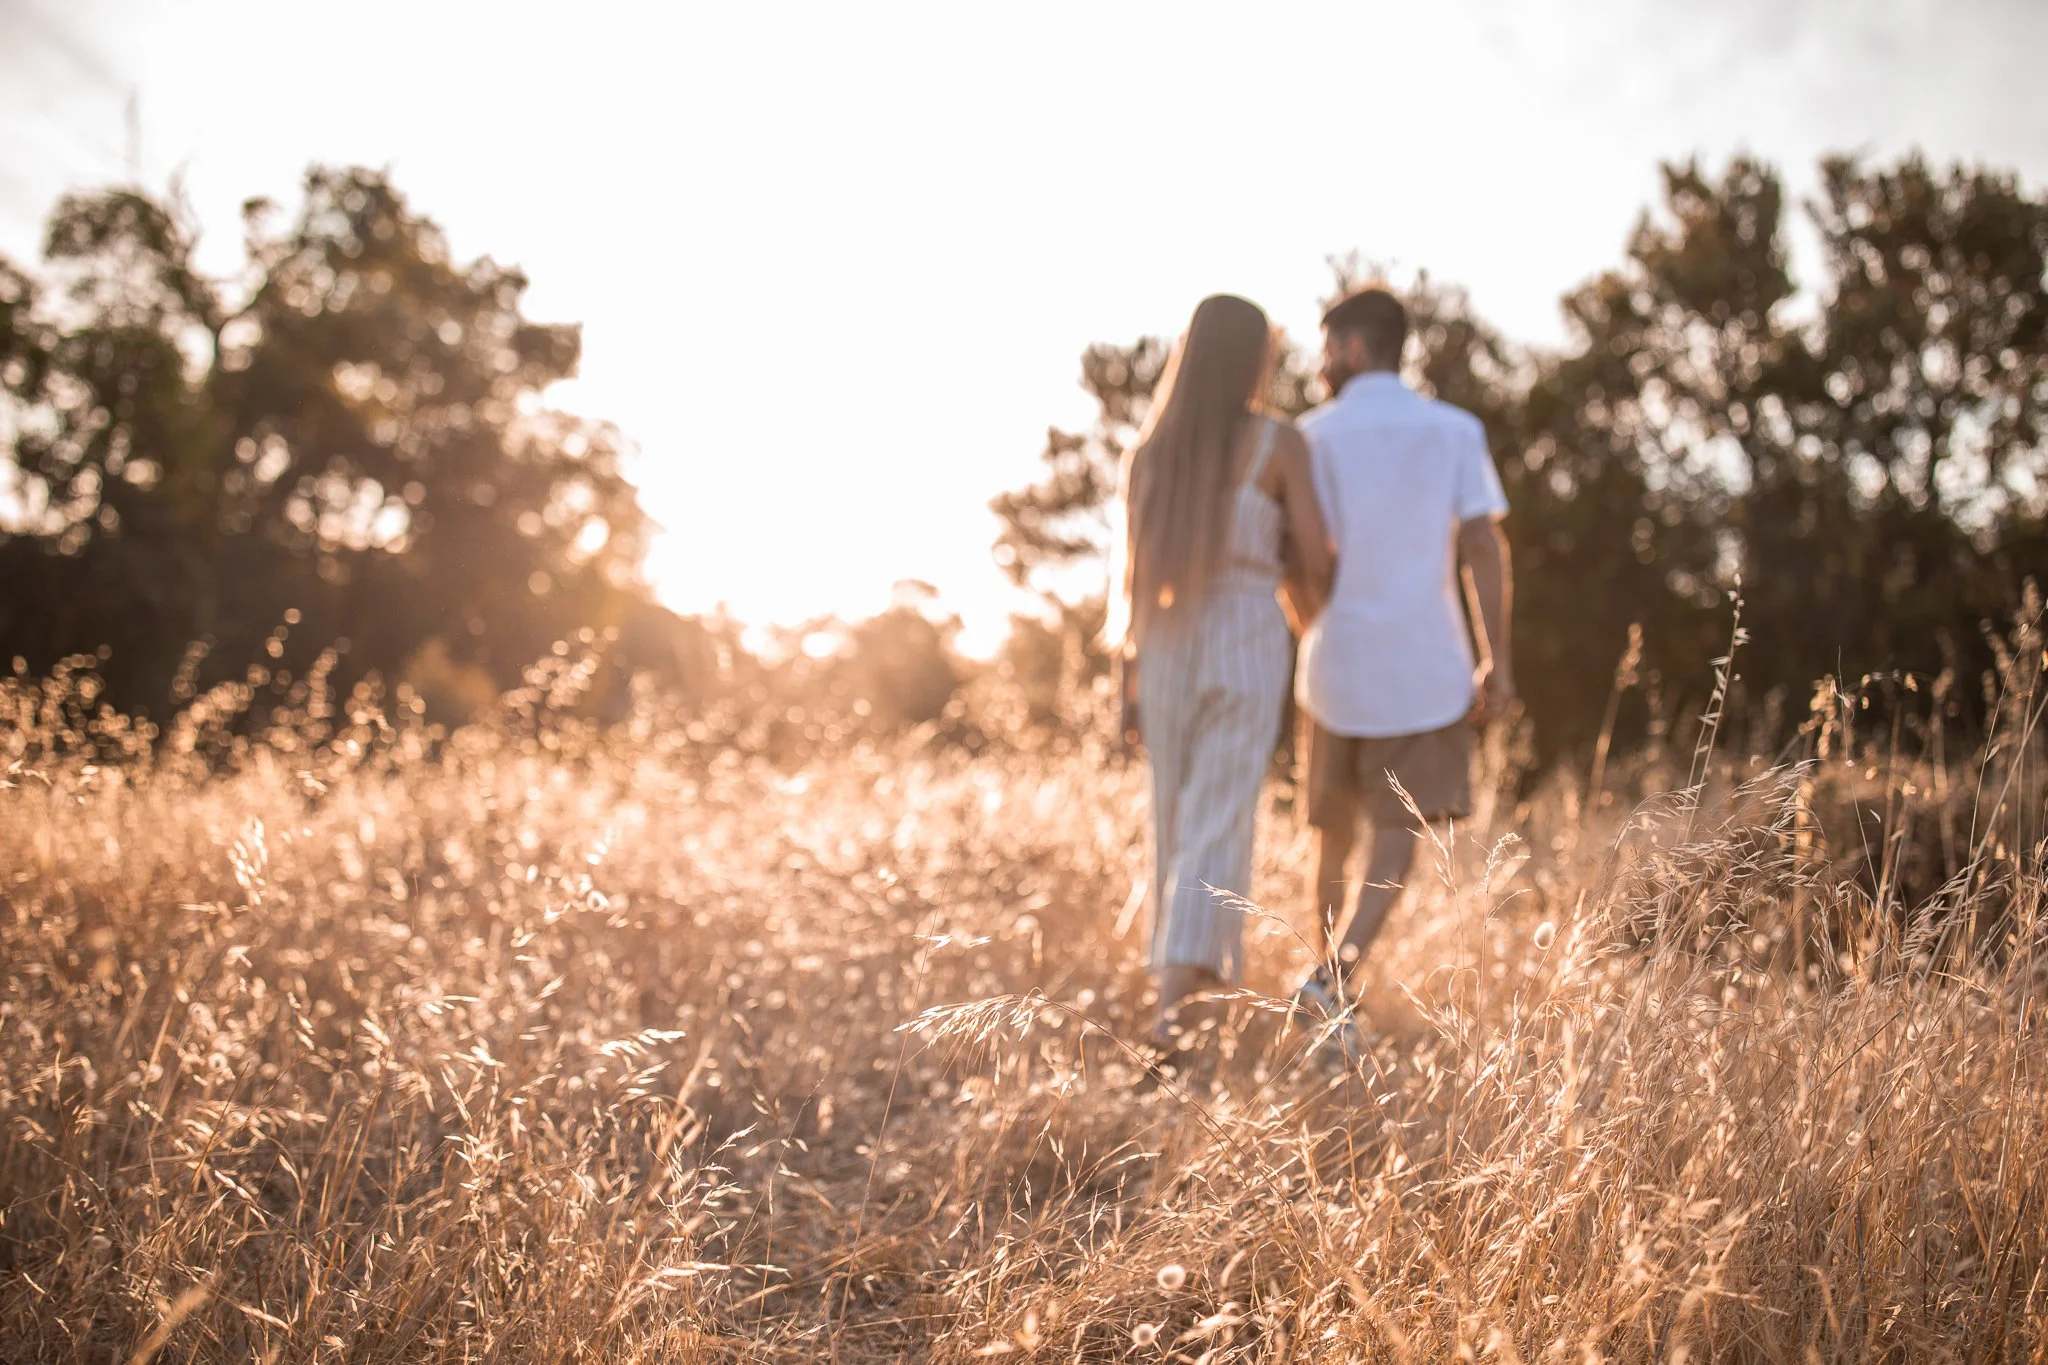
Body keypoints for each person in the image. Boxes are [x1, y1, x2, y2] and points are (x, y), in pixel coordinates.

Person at [1107, 293, 1333, 1063]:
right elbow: (1317, 558)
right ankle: (1176, 1009)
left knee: (1174, 819)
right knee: (1217, 818)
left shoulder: (1153, 452)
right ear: (1252, 359)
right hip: (1244, 629)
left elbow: (1134, 586)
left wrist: (1124, 689)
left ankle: (1180, 994)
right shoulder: (1280, 444)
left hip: (1164, 643)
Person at [1290, 285, 1514, 1055]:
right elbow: (1483, 546)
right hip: (1426, 669)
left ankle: (1325, 982)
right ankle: (1334, 977)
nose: (1319, 364)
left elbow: (1296, 558)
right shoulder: (1455, 431)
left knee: (1330, 834)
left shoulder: (1308, 437)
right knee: (1397, 833)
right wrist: (1498, 659)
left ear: (1353, 348)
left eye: (1325, 349)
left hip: (1332, 667)